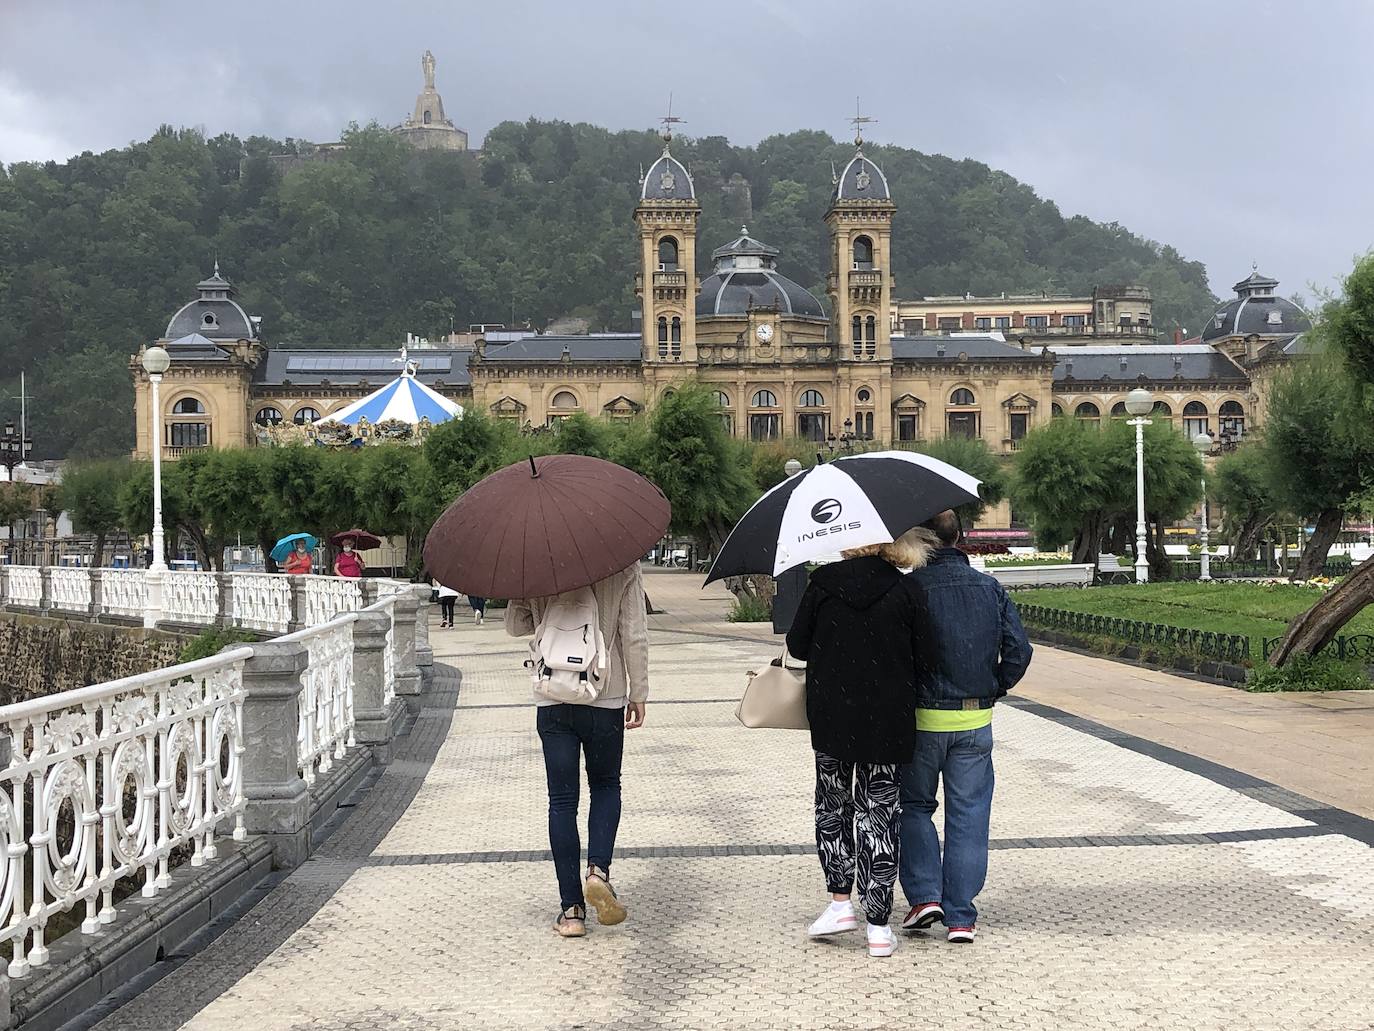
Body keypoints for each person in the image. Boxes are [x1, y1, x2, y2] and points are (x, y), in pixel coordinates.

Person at [785, 528, 933, 959]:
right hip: (888, 721)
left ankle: (839, 903)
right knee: (881, 814)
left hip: (833, 718)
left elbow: (797, 645)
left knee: (832, 806)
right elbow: (928, 657)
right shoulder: (906, 591)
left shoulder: (823, 585)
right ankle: (879, 927)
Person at [898, 510, 1032, 945]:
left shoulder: (908, 589)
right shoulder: (988, 587)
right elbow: (1019, 650)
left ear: (919, 540)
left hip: (919, 720)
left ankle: (923, 896)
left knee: (915, 806)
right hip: (975, 720)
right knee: (969, 815)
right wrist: (995, 685)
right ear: (961, 537)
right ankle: (961, 916)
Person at [505, 563, 649, 939]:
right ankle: (598, 872)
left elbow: (515, 626)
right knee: (605, 786)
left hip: (552, 695)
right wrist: (639, 693)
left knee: (562, 802)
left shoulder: (536, 557)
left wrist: (524, 591)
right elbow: (634, 634)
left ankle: (571, 912)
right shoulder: (622, 562)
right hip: (606, 692)